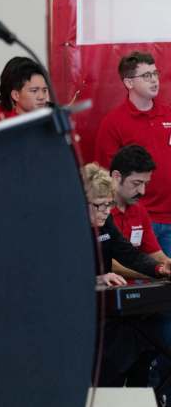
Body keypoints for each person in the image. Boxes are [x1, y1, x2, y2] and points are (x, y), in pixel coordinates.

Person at [81, 163, 171, 388]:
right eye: (99, 206)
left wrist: (160, 269)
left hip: (103, 305)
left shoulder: (105, 221)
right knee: (119, 344)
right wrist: (94, 279)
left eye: (109, 205)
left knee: (145, 333)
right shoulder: (64, 229)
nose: (105, 211)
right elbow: (56, 276)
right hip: (78, 310)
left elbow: (129, 254)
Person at [96, 52, 171, 255]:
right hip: (137, 219)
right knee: (143, 279)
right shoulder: (113, 123)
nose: (154, 80)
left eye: (155, 73)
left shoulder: (169, 114)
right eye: (146, 76)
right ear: (129, 82)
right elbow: (107, 178)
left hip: (170, 219)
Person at [108, 145, 171, 278]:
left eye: (145, 184)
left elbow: (154, 252)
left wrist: (167, 265)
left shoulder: (139, 209)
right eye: (136, 183)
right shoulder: (98, 210)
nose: (142, 191)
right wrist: (155, 273)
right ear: (116, 176)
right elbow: (107, 263)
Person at [0, 57, 48, 126]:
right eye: (34, 91)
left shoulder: (53, 118)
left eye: (44, 90)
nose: (42, 97)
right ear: (15, 95)